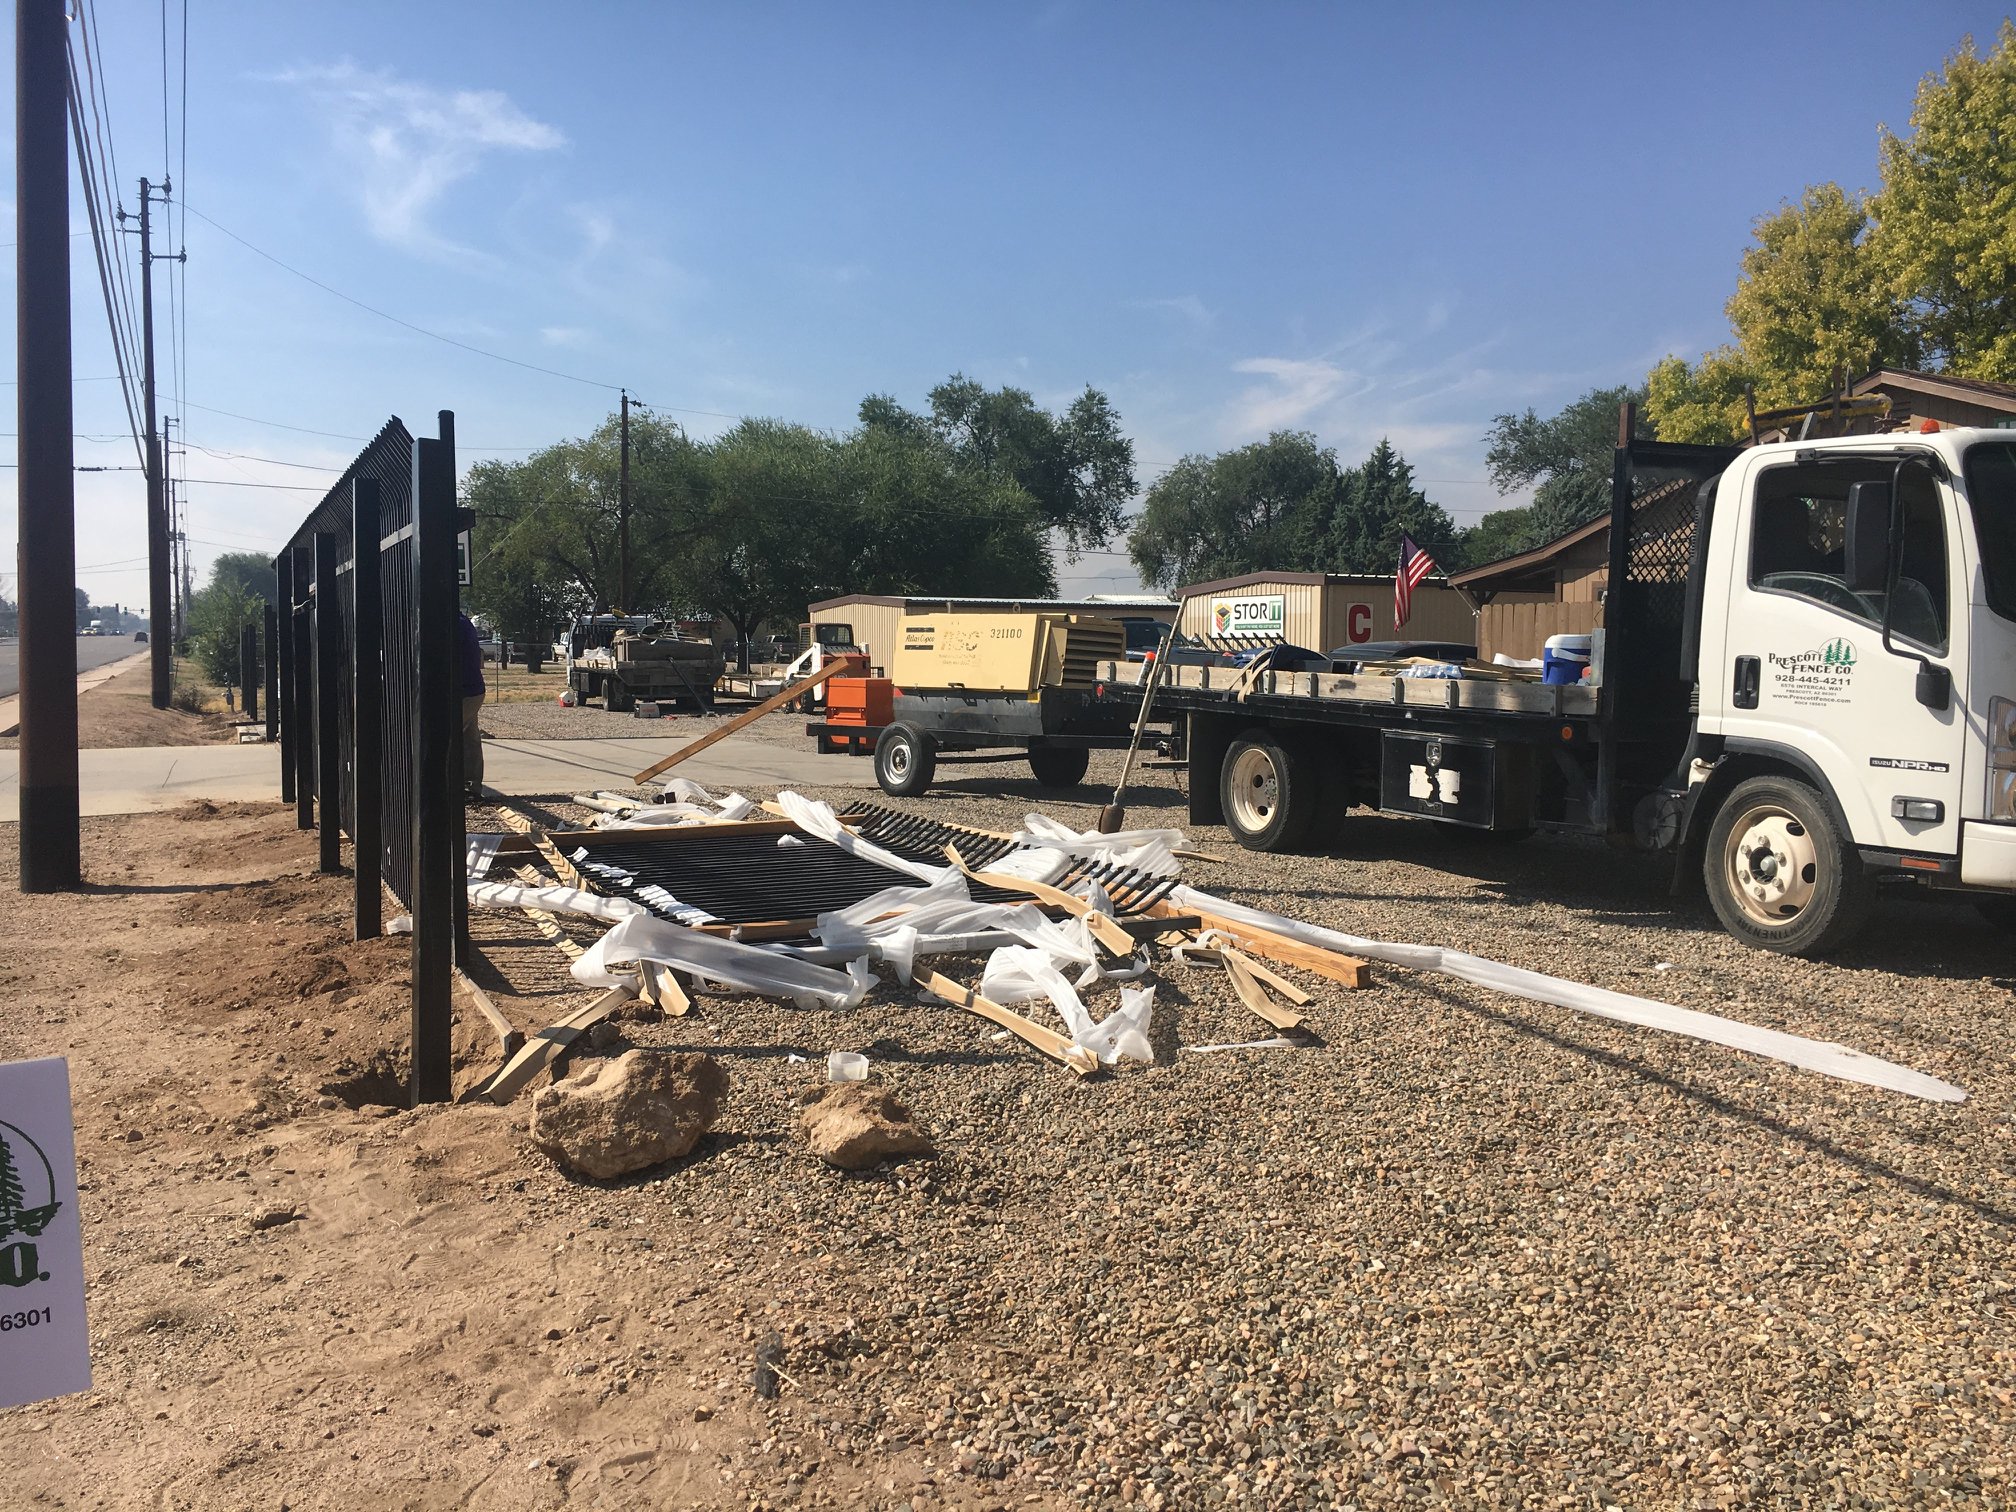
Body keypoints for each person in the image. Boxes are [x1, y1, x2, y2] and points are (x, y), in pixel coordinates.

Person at [458, 613, 486, 801]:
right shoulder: (463, 622)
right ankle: (471, 785)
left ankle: (448, 784)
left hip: (464, 691)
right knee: (469, 738)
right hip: (473, 690)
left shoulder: (452, 624)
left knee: (447, 736)